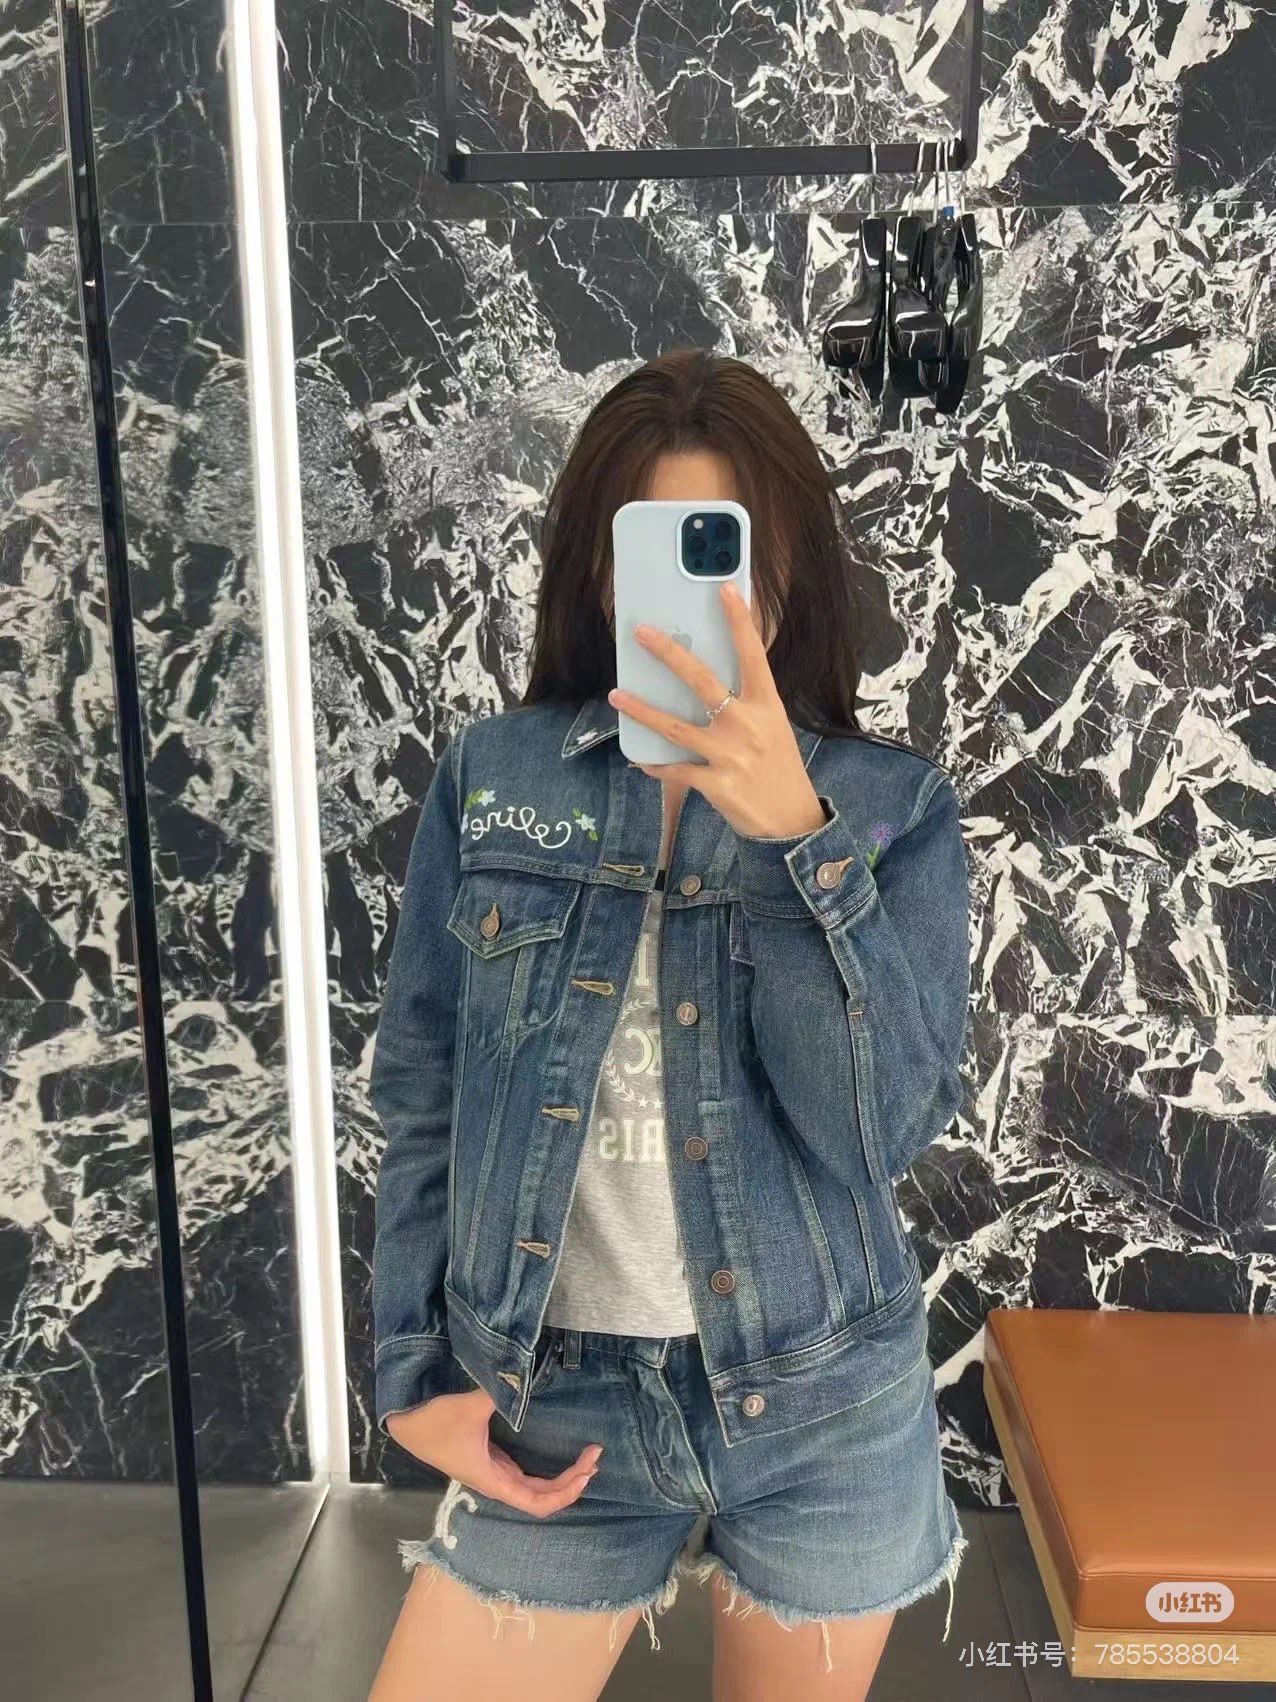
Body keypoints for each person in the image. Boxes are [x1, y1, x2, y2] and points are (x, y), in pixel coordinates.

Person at [367, 349, 972, 1702]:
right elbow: (423, 1084)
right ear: (601, 571)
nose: (706, 593)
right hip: (553, 1399)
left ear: (787, 569)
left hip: (824, 1405)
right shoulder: (495, 777)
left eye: (731, 549)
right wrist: (414, 1369)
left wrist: (799, 842)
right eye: (661, 548)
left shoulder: (890, 809)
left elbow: (878, 1132)